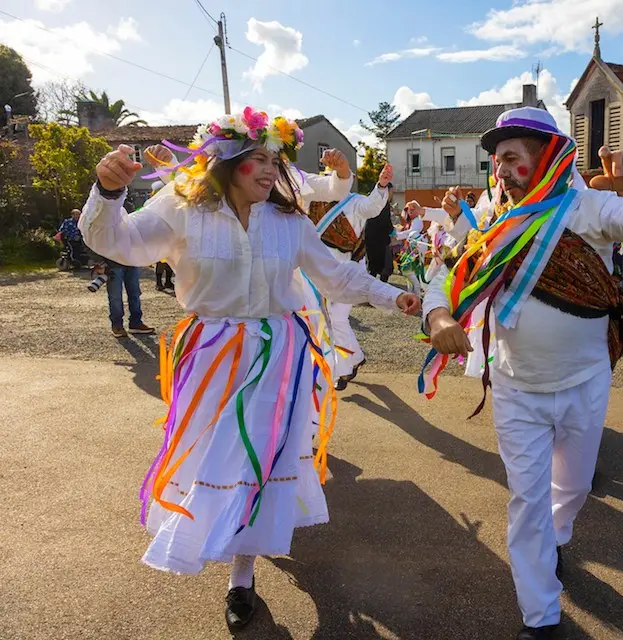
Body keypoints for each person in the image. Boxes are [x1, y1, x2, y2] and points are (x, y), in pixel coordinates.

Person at [79, 109, 419, 632]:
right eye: (257, 159)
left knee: (260, 457)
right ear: (225, 161)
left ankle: (242, 573)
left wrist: (396, 296)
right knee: (215, 455)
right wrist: (106, 191)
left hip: (279, 355)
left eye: (273, 159)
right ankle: (215, 543)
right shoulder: (180, 210)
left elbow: (338, 276)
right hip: (211, 355)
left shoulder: (288, 221)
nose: (270, 169)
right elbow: (115, 241)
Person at [421, 107, 623, 639]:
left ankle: (556, 539)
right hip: (516, 388)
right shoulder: (494, 224)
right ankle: (540, 616)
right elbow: (446, 278)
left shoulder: (588, 207)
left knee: (574, 487)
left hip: (586, 381)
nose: (501, 164)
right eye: (497, 156)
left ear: (548, 154)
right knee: (527, 499)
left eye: (514, 152)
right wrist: (440, 315)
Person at [310, 163, 394, 390]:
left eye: (338, 176)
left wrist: (381, 185)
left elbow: (373, 206)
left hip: (349, 270)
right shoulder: (313, 203)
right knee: (325, 321)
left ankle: (344, 370)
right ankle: (354, 359)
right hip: (319, 272)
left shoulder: (355, 201)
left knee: (336, 318)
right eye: (328, 176)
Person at [364, 182, 395, 282]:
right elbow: (386, 223)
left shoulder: (370, 201)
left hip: (369, 239)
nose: (392, 195)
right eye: (391, 192)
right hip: (380, 241)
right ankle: (381, 289)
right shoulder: (383, 204)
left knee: (372, 268)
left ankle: (370, 290)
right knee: (385, 268)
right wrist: (393, 231)